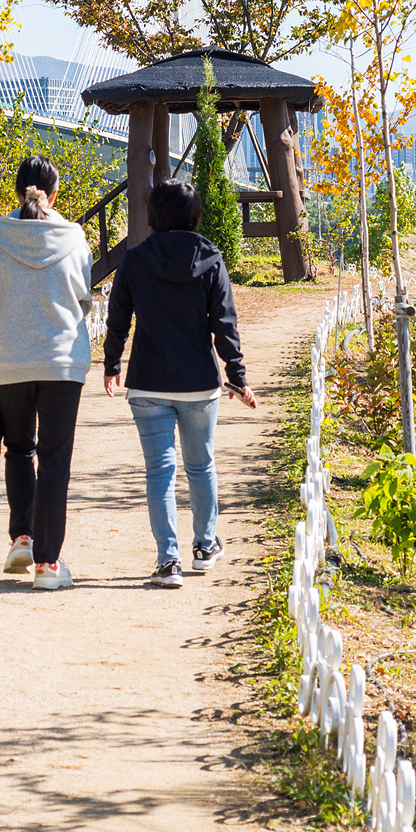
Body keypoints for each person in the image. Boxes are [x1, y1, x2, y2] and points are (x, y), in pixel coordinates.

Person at [102, 177, 257, 587]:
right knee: (200, 465)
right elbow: (224, 324)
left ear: (153, 213)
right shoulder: (210, 258)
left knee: (159, 471)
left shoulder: (134, 260)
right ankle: (204, 546)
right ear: (194, 215)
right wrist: (237, 377)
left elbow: (117, 319)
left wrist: (112, 364)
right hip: (199, 383)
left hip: (148, 382)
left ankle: (168, 561)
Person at [0, 153, 93, 590]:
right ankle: (48, 565)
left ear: (17, 190)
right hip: (62, 360)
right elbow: (84, 297)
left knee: (20, 447)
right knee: (55, 460)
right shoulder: (74, 238)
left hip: (7, 359)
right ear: (54, 193)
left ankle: (22, 537)